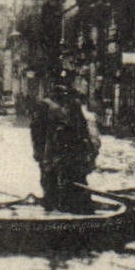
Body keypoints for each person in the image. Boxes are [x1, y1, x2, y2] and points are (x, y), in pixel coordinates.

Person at [30, 71, 100, 213]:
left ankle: (64, 207)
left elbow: (82, 129)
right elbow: (37, 132)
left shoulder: (69, 104)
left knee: (64, 182)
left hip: (65, 152)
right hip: (59, 151)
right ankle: (61, 207)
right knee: (59, 182)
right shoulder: (55, 105)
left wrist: (39, 153)